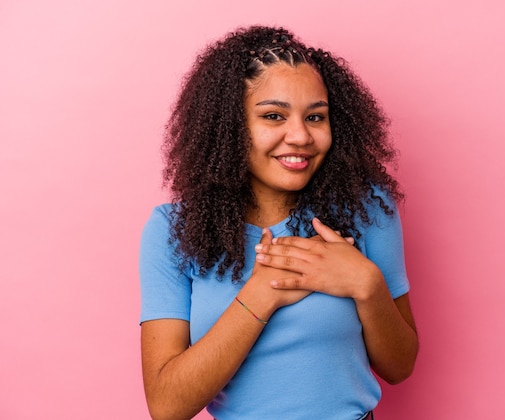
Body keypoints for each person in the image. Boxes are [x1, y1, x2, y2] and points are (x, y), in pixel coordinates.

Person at [139, 25, 418, 420]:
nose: (300, 136)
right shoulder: (173, 231)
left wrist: (366, 283)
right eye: (273, 116)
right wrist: (261, 293)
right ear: (230, 128)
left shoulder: (366, 209)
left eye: (316, 117)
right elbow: (167, 406)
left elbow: (399, 367)